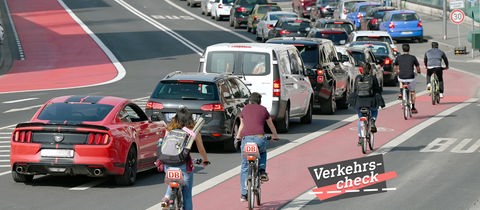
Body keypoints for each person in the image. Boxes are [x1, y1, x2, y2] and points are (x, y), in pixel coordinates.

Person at [160, 107, 210, 210]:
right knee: (187, 195)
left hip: (167, 163)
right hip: (183, 164)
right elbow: (201, 149)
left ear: (176, 118)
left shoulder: (169, 129)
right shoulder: (193, 132)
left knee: (171, 181)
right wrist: (205, 159)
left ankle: (167, 197)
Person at [235, 92, 279, 202]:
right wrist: (275, 135)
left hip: (246, 139)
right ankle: (262, 171)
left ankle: (244, 194)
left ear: (249, 101)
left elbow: (242, 125)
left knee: (245, 165)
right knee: (263, 152)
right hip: (260, 138)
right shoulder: (263, 109)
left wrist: (238, 137)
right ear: (260, 101)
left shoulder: (244, 110)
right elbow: (270, 124)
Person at [348, 62, 385, 145]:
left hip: (359, 102)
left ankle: (360, 137)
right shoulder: (373, 78)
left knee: (361, 118)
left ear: (362, 69)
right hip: (370, 102)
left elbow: (355, 90)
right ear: (370, 69)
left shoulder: (358, 78)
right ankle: (372, 120)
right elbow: (377, 91)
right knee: (375, 111)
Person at [393, 43, 421, 113]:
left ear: (402, 49)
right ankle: (413, 107)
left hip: (401, 77)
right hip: (410, 77)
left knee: (400, 79)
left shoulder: (398, 57)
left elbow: (395, 66)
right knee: (412, 91)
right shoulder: (413, 57)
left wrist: (396, 72)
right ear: (409, 49)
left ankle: (401, 92)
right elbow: (417, 67)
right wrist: (419, 71)